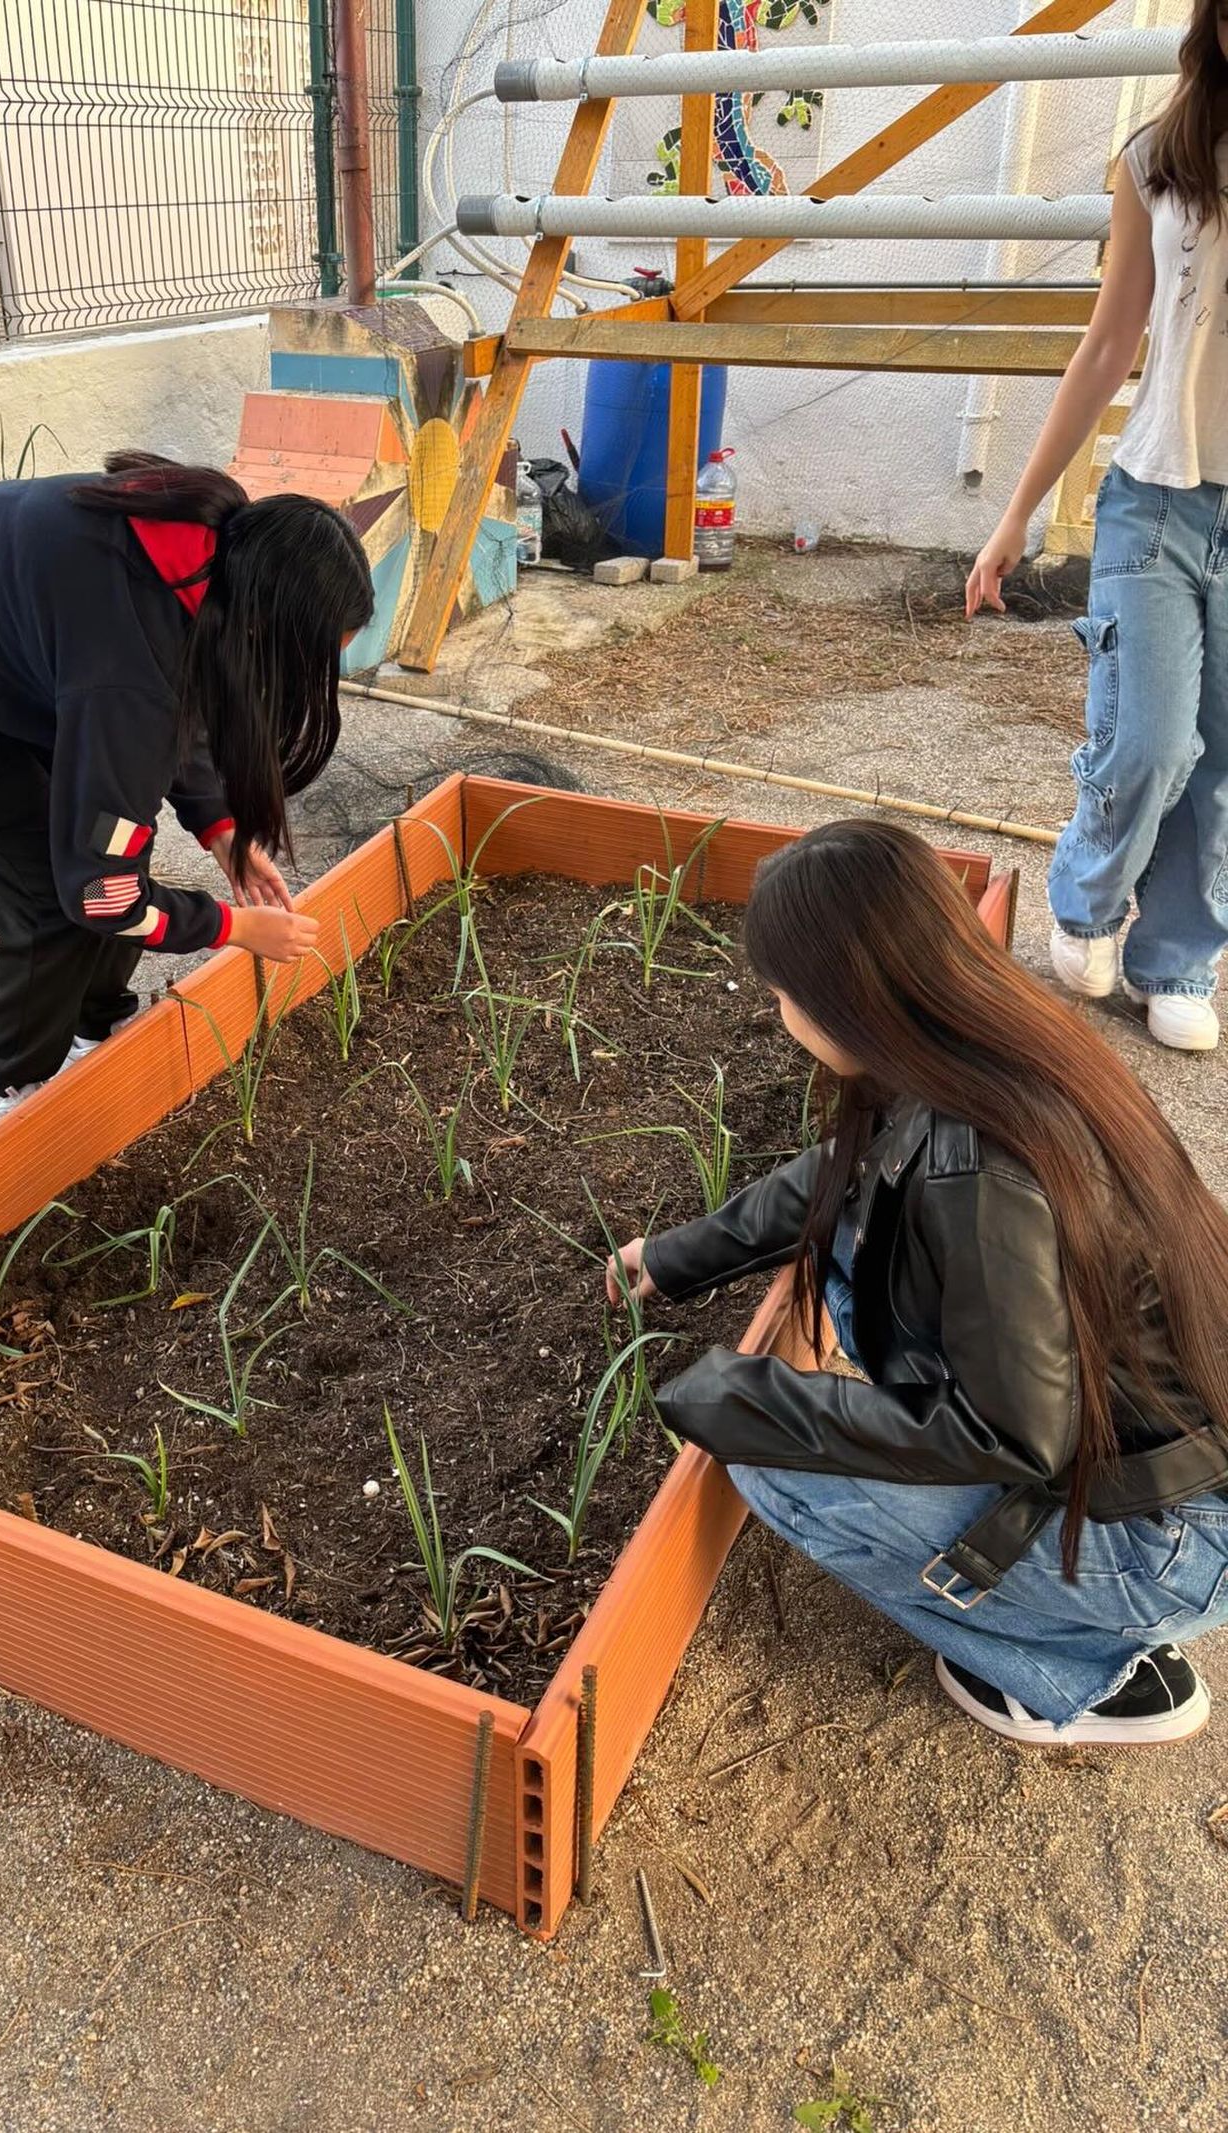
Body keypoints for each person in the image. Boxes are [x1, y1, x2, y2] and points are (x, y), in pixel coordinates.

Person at [607, 820, 1228, 1747]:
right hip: (1143, 1448)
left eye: (782, 990)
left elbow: (1012, 1432)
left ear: (841, 1000)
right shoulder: (979, 1043)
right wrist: (672, 1258)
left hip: (1169, 1533)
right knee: (858, 1262)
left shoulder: (982, 1173)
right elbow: (844, 1169)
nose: (777, 1008)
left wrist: (745, 1394)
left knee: (775, 1471)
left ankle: (1088, 1671)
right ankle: (1088, 1611)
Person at [0, 454, 374, 1140]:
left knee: (110, 834)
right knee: (51, 891)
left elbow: (172, 699)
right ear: (262, 628)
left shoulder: (211, 548)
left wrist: (223, 828)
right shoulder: (127, 669)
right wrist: (233, 928)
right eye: (309, 660)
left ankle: (95, 1026)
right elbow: (103, 893)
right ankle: (5, 1094)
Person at [967, 0, 1228, 1054]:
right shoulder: (1157, 159)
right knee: (1152, 740)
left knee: (1223, 764)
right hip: (1155, 495)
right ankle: (1084, 904)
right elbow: (1106, 341)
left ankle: (1179, 961)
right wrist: (1015, 514)